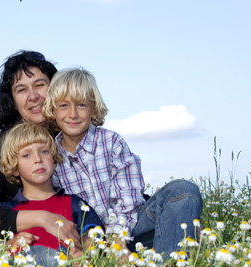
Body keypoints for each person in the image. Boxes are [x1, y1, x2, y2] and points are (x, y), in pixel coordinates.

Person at [43, 67, 203, 255]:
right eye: (63, 105)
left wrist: (118, 239)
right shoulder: (51, 155)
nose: (73, 114)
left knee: (184, 189)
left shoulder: (112, 142)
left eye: (81, 105)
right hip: (89, 243)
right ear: (52, 110)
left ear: (93, 107)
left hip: (132, 230)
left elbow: (128, 198)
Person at [0, 51, 83, 249]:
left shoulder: (77, 135)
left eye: (40, 85)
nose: (33, 96)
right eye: (21, 90)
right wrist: (42, 217)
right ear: (13, 101)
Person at [0, 122, 103, 267]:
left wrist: (85, 252)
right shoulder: (8, 211)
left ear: (54, 161)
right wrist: (9, 245)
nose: (38, 159)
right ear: (14, 168)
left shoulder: (73, 203)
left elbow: (93, 232)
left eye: (44, 152)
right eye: (27, 155)